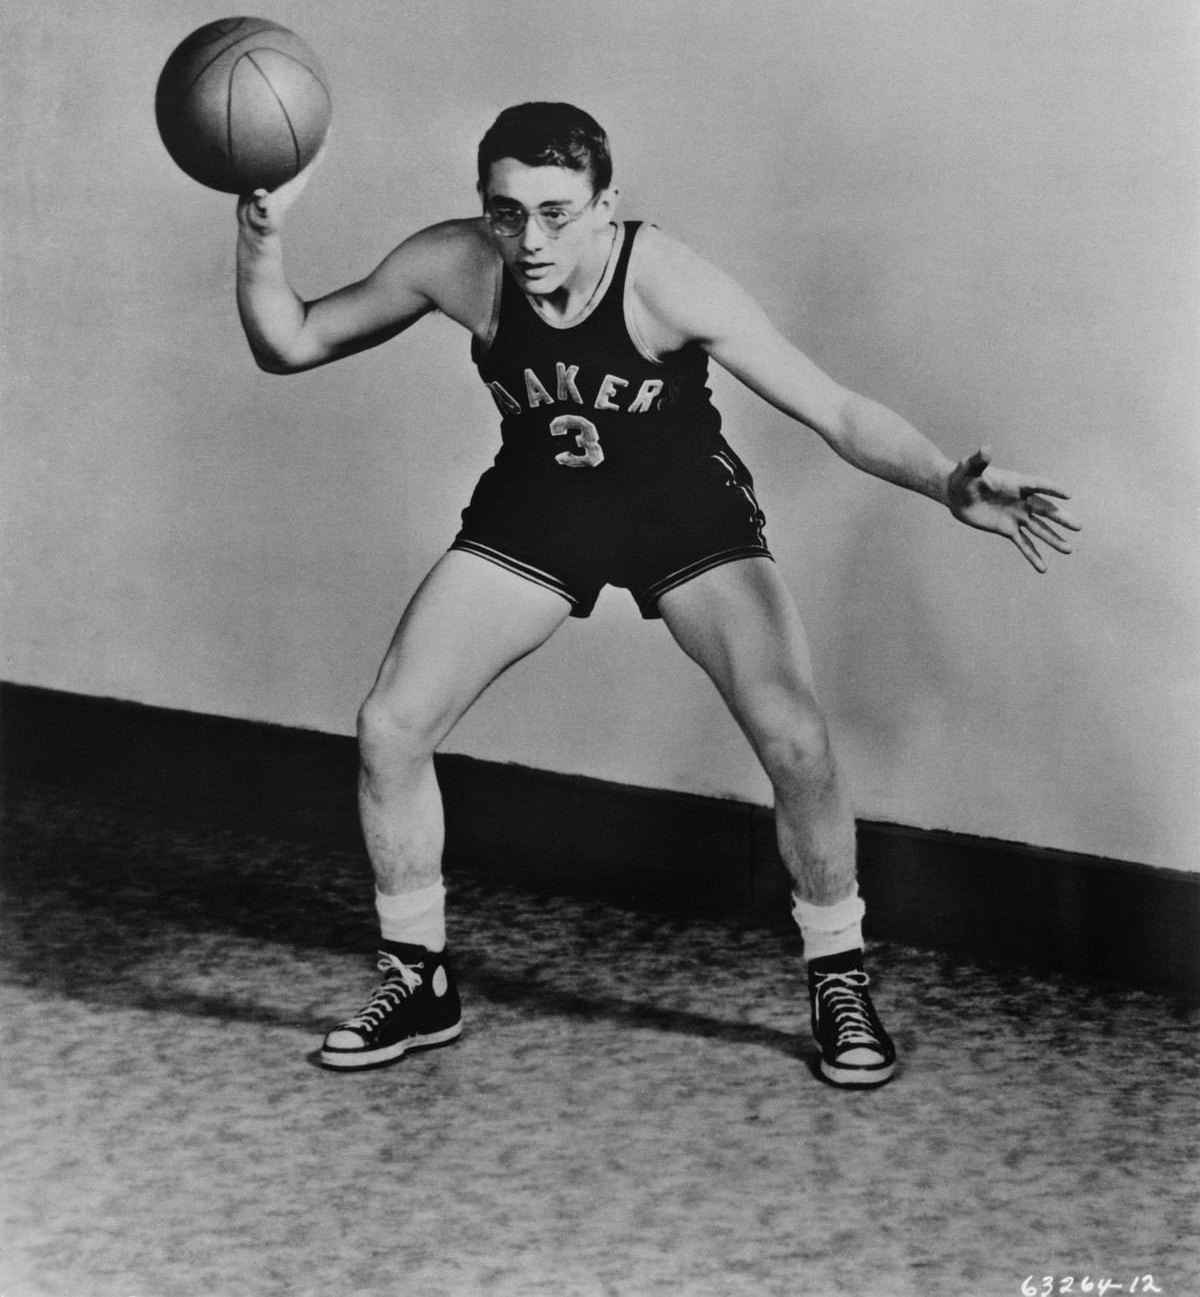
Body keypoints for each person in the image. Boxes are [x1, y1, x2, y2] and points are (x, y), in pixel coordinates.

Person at [235, 101, 1079, 1088]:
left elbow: (835, 408)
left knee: (797, 740)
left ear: (606, 206)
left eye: (557, 212)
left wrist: (946, 480)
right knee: (389, 724)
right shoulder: (456, 263)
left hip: (682, 509)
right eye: (509, 213)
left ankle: (838, 978)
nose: (532, 239)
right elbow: (288, 341)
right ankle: (417, 978)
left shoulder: (667, 280)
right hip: (541, 505)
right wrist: (261, 236)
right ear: (483, 208)